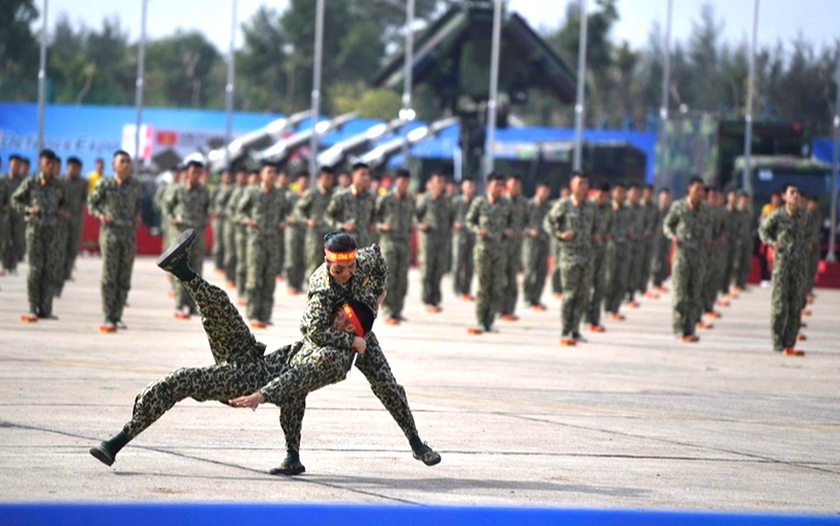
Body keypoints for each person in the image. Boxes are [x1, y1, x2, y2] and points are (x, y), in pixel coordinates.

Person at [88, 230, 376, 470]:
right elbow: (296, 393)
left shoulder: (334, 358)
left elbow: (296, 380)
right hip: (252, 359)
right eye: (341, 312)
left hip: (244, 383)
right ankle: (181, 268)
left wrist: (261, 395)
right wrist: (377, 285)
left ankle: (118, 441)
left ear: (353, 330)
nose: (337, 315)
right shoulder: (329, 336)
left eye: (344, 318)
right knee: (222, 307)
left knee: (180, 380)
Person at [229, 232, 441, 474]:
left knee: (387, 384)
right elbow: (315, 331)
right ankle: (292, 455)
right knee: (299, 382)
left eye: (351, 267)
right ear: (327, 262)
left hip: (362, 336)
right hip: (327, 339)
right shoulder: (321, 287)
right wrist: (350, 340)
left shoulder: (364, 259)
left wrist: (377, 297)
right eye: (339, 270)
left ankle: (416, 443)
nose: (346, 274)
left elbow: (380, 263)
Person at [11, 149, 69, 322]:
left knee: (50, 269)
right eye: (47, 164)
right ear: (40, 164)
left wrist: (63, 213)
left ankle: (46, 309)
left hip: (53, 231)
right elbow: (15, 200)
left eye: (53, 164)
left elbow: (66, 205)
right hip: (34, 230)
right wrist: (28, 209)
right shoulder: (31, 183)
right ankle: (32, 307)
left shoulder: (59, 186)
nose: (50, 167)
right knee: (35, 269)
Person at [87, 151, 143, 331]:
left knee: (124, 276)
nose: (126, 165)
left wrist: (138, 217)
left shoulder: (135, 185)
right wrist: (100, 215)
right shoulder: (105, 184)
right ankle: (107, 314)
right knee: (109, 275)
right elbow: (91, 204)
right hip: (110, 234)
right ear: (114, 165)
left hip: (128, 235)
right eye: (122, 162)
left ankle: (117, 316)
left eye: (128, 162)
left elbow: (139, 207)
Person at [758, 184, 811, 356]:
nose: (796, 196)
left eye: (798, 193)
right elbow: (763, 230)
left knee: (795, 305)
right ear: (784, 196)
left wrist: (808, 245)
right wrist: (771, 242)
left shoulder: (804, 217)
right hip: (782, 266)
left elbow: (810, 235)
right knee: (780, 305)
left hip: (799, 266)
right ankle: (777, 341)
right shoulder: (778, 215)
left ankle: (790, 342)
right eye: (792, 193)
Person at [543, 171, 594, 346]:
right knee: (570, 294)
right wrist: (560, 235)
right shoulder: (563, 205)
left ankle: (576, 329)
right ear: (572, 185)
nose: (584, 187)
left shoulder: (589, 206)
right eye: (580, 183)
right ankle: (565, 329)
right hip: (569, 257)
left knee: (583, 295)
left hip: (586, 257)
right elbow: (548, 222)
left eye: (586, 184)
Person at [237, 161, 287, 328]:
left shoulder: (280, 195)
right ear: (262, 175)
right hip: (256, 240)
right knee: (254, 277)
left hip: (273, 241)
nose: (272, 175)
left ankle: (265, 315)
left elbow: (289, 212)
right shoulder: (252, 192)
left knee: (269, 278)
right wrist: (247, 220)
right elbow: (238, 211)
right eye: (269, 172)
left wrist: (283, 221)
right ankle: (252, 314)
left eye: (275, 172)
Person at [662, 176, 710, 343]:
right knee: (681, 294)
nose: (700, 193)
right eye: (697, 189)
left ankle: (690, 329)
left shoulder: (705, 210)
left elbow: (708, 228)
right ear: (689, 190)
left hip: (699, 256)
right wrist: (672, 236)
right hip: (682, 255)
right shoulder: (678, 206)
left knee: (694, 294)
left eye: (702, 190)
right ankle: (679, 329)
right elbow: (667, 224)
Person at [465, 172, 513, 334]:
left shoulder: (506, 204)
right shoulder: (479, 202)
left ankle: (490, 320)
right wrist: (477, 229)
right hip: (483, 250)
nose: (499, 188)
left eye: (501, 185)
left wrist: (509, 231)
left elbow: (514, 223)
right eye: (496, 185)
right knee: (483, 286)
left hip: (500, 251)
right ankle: (480, 319)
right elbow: (469, 220)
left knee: (497, 286)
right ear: (488, 186)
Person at [164, 159, 211, 319]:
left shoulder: (204, 191)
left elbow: (207, 208)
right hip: (181, 232)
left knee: (196, 270)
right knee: (179, 268)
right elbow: (167, 206)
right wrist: (172, 218)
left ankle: (192, 305)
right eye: (193, 172)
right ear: (187, 173)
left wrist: (205, 219)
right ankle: (179, 304)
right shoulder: (178, 190)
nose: (196, 176)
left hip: (197, 234)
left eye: (199, 173)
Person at [375, 168, 415, 325]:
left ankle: (398, 310)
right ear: (395, 181)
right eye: (401, 181)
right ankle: (388, 310)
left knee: (402, 278)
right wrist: (381, 226)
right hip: (389, 242)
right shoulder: (385, 199)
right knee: (389, 277)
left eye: (406, 181)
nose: (404, 184)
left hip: (404, 243)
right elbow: (374, 218)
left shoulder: (411, 201)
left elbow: (415, 217)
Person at [415, 171, 453, 313]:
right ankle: (427, 300)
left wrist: (453, 226)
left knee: (439, 270)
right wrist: (420, 225)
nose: (441, 185)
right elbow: (415, 216)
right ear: (432, 183)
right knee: (427, 270)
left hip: (442, 240)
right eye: (438, 181)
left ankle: (435, 299)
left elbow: (452, 217)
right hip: (427, 239)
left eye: (443, 182)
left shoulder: (447, 201)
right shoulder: (425, 199)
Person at [498, 174, 532, 321]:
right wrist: (502, 230)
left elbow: (530, 221)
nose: (515, 188)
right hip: (501, 246)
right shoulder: (500, 201)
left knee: (512, 279)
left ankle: (509, 309)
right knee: (500, 278)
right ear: (507, 185)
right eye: (513, 185)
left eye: (518, 185)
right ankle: (499, 309)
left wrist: (527, 230)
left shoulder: (524, 203)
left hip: (516, 246)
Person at [296, 166, 336, 278]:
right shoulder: (312, 194)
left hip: (330, 235)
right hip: (314, 235)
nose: (329, 181)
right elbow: (298, 210)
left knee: (330, 266)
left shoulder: (334, 195)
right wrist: (307, 221)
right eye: (326, 178)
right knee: (313, 265)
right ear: (320, 179)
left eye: (331, 178)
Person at [326, 162, 376, 248]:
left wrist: (374, 224)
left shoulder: (371, 197)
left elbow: (375, 216)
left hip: (365, 245)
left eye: (368, 174)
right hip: (346, 246)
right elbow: (327, 216)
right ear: (353, 175)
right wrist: (342, 226)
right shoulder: (342, 196)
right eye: (362, 174)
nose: (366, 178)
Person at [585, 182, 612, 333]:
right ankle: (585, 317)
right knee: (586, 286)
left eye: (605, 196)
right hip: (588, 252)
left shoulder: (609, 208)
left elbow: (612, 225)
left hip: (602, 251)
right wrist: (591, 235)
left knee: (600, 285)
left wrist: (609, 233)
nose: (602, 198)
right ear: (595, 193)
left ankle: (595, 319)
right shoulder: (588, 206)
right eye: (600, 195)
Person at [522, 180, 551, 311]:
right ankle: (528, 297)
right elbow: (520, 223)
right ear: (537, 190)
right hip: (530, 243)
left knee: (541, 272)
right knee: (529, 270)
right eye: (542, 190)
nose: (544, 193)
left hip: (544, 242)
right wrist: (528, 231)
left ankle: (536, 298)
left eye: (547, 191)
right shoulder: (528, 205)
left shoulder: (550, 208)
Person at [604, 183, 630, 321]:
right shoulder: (607, 208)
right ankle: (607, 306)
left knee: (621, 279)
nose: (621, 195)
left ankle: (614, 308)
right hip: (610, 247)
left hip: (624, 247)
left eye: (623, 192)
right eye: (618, 192)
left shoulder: (627, 210)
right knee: (609, 279)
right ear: (613, 193)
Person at [61, 156, 87, 284]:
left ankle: (68, 271)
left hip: (76, 218)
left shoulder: (83, 183)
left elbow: (84, 199)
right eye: (72, 167)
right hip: (61, 219)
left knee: (73, 246)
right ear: (67, 168)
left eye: (77, 168)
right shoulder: (60, 181)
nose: (74, 170)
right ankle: (59, 272)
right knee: (60, 246)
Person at [284, 170, 310, 295]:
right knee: (291, 257)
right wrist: (289, 219)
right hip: (292, 230)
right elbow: (282, 212)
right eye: (302, 181)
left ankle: (299, 284)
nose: (304, 183)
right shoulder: (290, 196)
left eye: (306, 181)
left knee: (303, 257)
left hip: (305, 230)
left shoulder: (310, 196)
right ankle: (292, 283)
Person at [451, 178, 477, 301]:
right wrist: (453, 224)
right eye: (467, 186)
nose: (470, 189)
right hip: (459, 236)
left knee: (470, 264)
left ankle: (466, 289)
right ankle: (457, 288)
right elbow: (448, 216)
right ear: (463, 188)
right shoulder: (456, 201)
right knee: (457, 262)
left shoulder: (477, 202)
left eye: (472, 186)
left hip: (472, 236)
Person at [2, 154, 28, 274]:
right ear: (9, 165)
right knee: (5, 240)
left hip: (18, 215)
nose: (16, 167)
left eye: (18, 165)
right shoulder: (3, 180)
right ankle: (6, 265)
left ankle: (12, 265)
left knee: (18, 240)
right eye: (14, 164)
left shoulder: (24, 181)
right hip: (5, 215)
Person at [623, 183, 644, 309]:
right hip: (624, 245)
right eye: (633, 192)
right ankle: (622, 296)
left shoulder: (641, 209)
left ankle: (631, 296)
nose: (635, 195)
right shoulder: (623, 208)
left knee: (634, 271)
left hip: (637, 244)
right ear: (627, 193)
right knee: (623, 272)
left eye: (637, 193)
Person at [210, 169, 234, 276]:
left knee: (228, 242)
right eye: (225, 175)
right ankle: (218, 265)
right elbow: (210, 204)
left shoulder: (234, 189)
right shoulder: (217, 189)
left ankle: (227, 265)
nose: (227, 177)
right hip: (218, 219)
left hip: (229, 219)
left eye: (229, 175)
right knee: (218, 242)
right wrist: (214, 212)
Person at [650, 188, 672, 292]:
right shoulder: (655, 209)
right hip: (656, 239)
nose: (665, 199)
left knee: (663, 259)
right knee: (656, 260)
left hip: (666, 239)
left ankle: (659, 282)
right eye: (664, 197)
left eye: (667, 197)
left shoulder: (669, 211)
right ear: (659, 197)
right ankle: (655, 282)